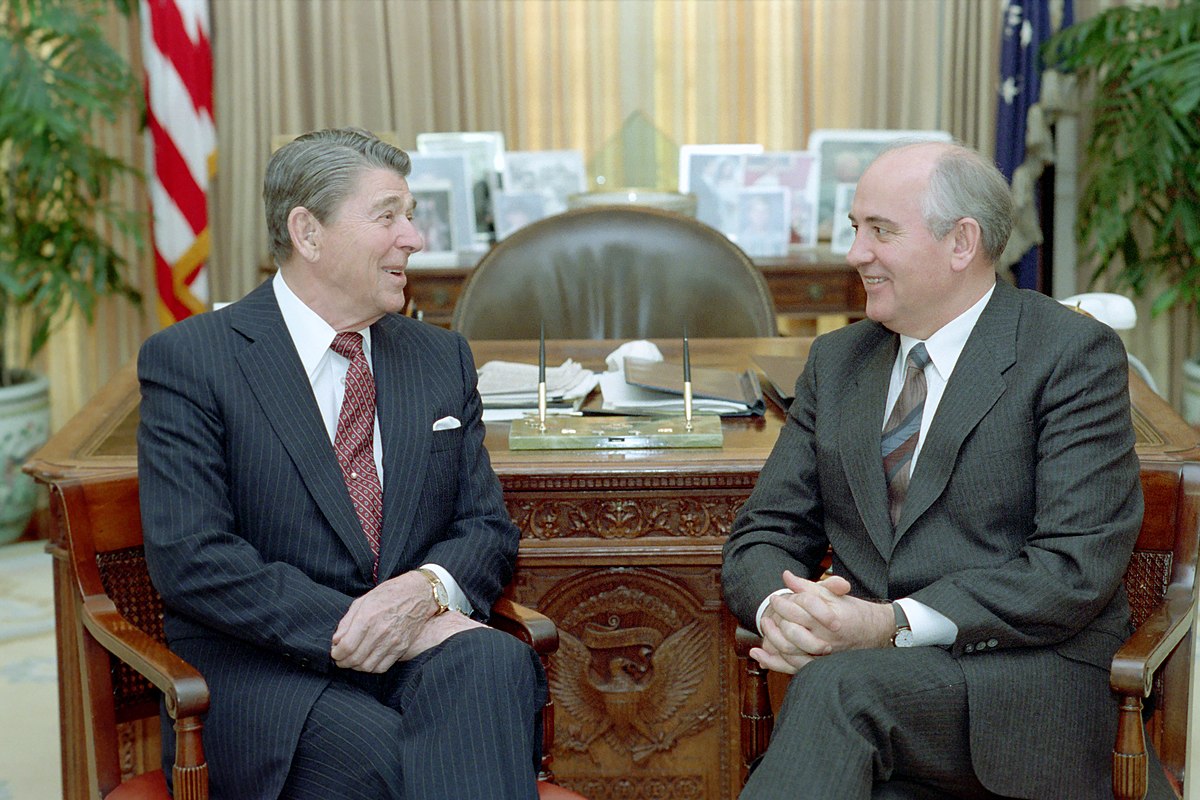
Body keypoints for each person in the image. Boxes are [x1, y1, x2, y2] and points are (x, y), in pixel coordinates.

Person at [721, 141, 1172, 799]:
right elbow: (764, 532)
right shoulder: (838, 362)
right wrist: (782, 613)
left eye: (880, 231)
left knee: (836, 687)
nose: (855, 254)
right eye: (855, 229)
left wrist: (889, 624)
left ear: (961, 243)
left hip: (1021, 682)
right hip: (881, 696)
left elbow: (1071, 571)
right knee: (840, 692)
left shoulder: (1070, 356)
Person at [138, 127, 545, 799]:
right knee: (387, 762)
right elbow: (194, 558)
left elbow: (485, 530)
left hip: (417, 639)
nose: (413, 237)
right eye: (389, 216)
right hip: (266, 672)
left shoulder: (439, 358)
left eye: (409, 216)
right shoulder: (194, 360)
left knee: (496, 663)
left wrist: (422, 594)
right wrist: (355, 627)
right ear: (308, 232)